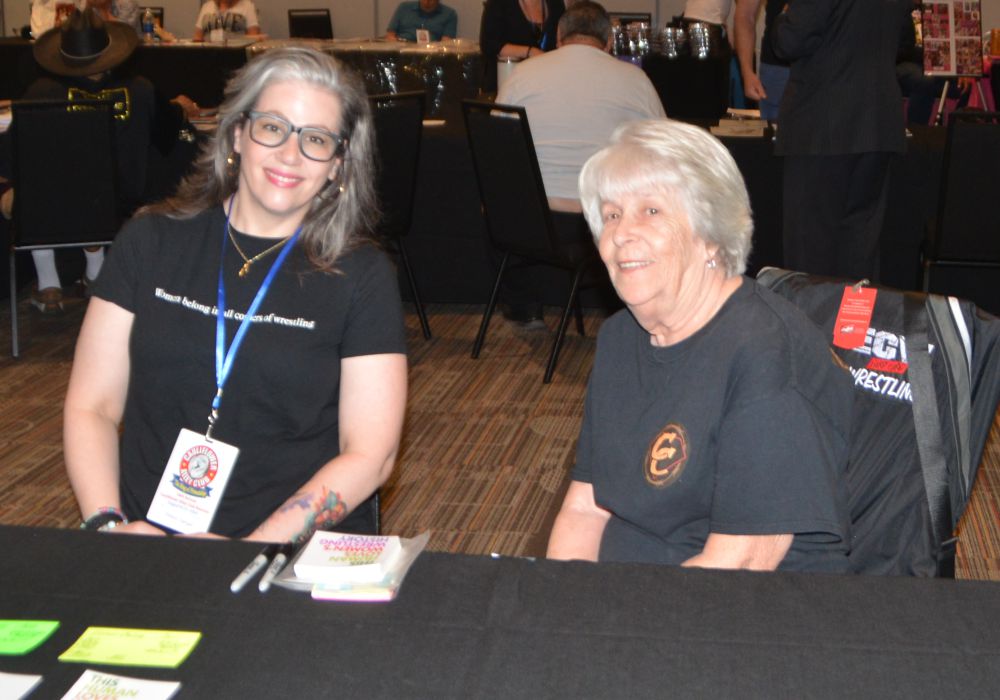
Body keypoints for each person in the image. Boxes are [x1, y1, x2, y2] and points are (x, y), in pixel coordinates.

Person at [63, 46, 408, 543]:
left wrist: (251, 549)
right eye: (273, 127)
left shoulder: (361, 276)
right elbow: (91, 406)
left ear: (337, 163)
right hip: (147, 541)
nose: (291, 154)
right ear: (239, 133)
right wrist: (108, 524)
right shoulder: (150, 241)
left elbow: (372, 454)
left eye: (315, 139)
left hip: (287, 551)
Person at [547, 120, 853, 572]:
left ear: (710, 235)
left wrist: (611, 629)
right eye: (611, 215)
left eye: (651, 211)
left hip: (734, 611)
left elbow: (740, 563)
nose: (621, 233)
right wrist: (562, 604)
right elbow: (585, 508)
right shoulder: (618, 338)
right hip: (626, 593)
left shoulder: (765, 354)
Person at [13, 9, 198, 313]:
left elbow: (22, 156)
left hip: (53, 210)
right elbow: (167, 139)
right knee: (96, 190)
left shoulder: (40, 94)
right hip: (119, 202)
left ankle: (49, 284)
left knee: (34, 180)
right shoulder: (140, 90)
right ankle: (96, 274)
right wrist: (177, 108)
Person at [773, 0, 910, 282]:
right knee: (860, 250)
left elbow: (788, 40)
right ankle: (853, 326)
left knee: (810, 257)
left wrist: (784, 15)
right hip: (877, 122)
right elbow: (906, 39)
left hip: (823, 126)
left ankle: (811, 327)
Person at [497, 1, 665, 213]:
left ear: (559, 36)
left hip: (533, 216)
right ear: (610, 41)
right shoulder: (637, 80)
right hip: (607, 219)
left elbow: (495, 144)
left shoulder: (521, 74)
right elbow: (663, 150)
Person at [479, 0, 565, 93]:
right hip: (507, 85)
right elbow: (489, 45)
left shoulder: (556, 4)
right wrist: (530, 52)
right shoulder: (498, 3)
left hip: (546, 85)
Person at [733, 0, 788, 121]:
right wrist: (747, 72)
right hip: (777, 69)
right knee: (776, 135)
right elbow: (745, 16)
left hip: (826, 68)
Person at [385, 0, 458, 42]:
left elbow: (446, 44)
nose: (427, 1)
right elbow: (390, 35)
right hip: (402, 53)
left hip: (431, 56)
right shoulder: (404, 8)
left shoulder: (449, 14)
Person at [193, 0, 261, 42]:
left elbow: (254, 39)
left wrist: (231, 38)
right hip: (208, 56)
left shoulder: (247, 6)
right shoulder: (206, 7)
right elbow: (197, 37)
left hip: (236, 56)